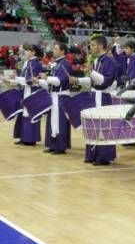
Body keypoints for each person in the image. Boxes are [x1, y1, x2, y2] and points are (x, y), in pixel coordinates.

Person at [70, 35, 117, 166]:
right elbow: (93, 81)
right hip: (94, 95)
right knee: (92, 125)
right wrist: (78, 80)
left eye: (93, 44)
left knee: (104, 126)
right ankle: (92, 154)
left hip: (103, 97)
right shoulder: (96, 61)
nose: (91, 47)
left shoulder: (109, 61)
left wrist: (91, 72)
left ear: (101, 45)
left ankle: (103, 156)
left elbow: (105, 81)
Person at [37, 42, 73, 154]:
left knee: (60, 122)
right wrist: (38, 81)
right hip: (54, 96)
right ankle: (52, 144)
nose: (53, 50)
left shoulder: (65, 64)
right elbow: (50, 84)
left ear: (62, 51)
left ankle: (60, 146)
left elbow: (59, 81)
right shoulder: (56, 64)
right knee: (52, 122)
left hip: (61, 96)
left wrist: (46, 77)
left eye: (56, 48)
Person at [13, 44, 44, 146]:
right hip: (27, 91)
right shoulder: (30, 63)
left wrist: (16, 79)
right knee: (25, 114)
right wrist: (15, 79)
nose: (25, 52)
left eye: (27, 50)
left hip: (33, 92)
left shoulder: (36, 64)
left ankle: (30, 139)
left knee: (31, 114)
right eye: (25, 50)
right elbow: (26, 80)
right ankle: (25, 137)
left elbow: (30, 81)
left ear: (33, 52)